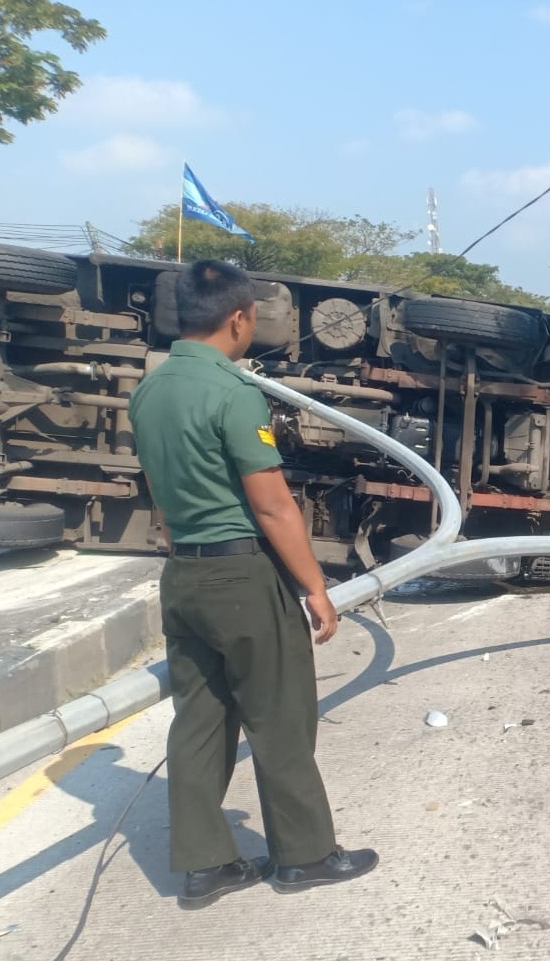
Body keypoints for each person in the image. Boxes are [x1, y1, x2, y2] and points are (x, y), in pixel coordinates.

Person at [129, 260, 378, 909]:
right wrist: (315, 587)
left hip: (183, 572)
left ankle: (205, 864)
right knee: (279, 713)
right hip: (243, 574)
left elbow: (157, 487)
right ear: (239, 317)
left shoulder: (149, 390)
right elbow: (271, 505)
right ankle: (304, 854)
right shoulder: (233, 391)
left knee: (200, 718)